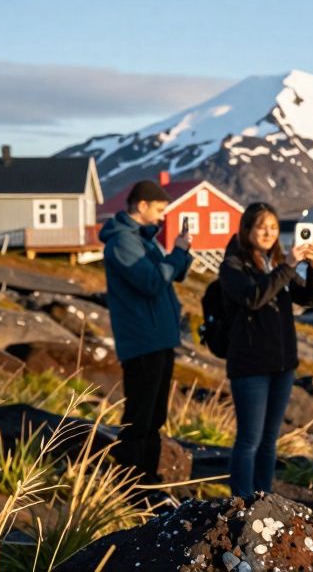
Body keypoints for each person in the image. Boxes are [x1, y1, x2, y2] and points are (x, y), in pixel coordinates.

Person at [218, 202, 313, 498]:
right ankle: (240, 501)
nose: (268, 232)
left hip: (282, 365)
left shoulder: (276, 262)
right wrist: (287, 266)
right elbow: (253, 297)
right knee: (249, 439)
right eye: (261, 227)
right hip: (250, 366)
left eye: (274, 228)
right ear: (247, 229)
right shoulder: (233, 265)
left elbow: (312, 297)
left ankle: (263, 498)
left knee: (269, 440)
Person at [100, 180, 193, 484]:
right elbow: (152, 282)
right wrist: (177, 254)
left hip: (158, 339)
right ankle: (130, 483)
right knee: (139, 418)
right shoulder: (122, 242)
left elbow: (168, 275)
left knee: (154, 417)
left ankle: (147, 479)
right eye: (159, 208)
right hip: (142, 342)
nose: (162, 215)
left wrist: (182, 252)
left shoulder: (143, 240)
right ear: (141, 206)